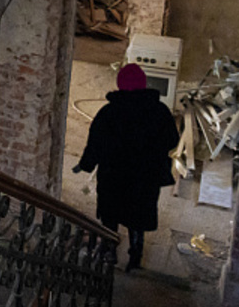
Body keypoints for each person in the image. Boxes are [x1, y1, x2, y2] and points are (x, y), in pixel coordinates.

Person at [73, 63, 178, 272]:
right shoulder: (159, 111)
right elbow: (172, 140)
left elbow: (95, 144)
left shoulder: (109, 112)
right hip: (145, 177)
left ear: (120, 84)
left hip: (114, 176)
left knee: (110, 215)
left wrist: (84, 165)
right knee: (137, 217)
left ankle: (109, 252)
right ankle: (135, 258)